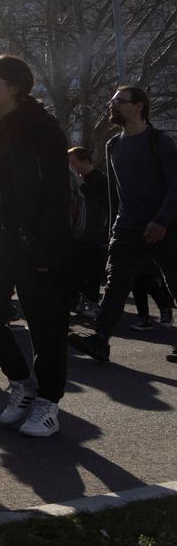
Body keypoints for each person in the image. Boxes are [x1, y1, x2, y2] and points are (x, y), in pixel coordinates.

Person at [0, 55, 71, 437]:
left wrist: (48, 246)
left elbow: (59, 194)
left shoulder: (43, 130)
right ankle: (22, 383)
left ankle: (49, 402)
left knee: (45, 327)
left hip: (33, 240)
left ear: (15, 86)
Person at [70, 86, 177, 363]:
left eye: (119, 102)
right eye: (112, 101)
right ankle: (100, 341)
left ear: (139, 106)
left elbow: (175, 186)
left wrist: (161, 220)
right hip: (126, 229)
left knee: (175, 282)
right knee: (115, 285)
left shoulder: (159, 141)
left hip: (164, 227)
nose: (112, 105)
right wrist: (112, 233)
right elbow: (114, 194)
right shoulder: (113, 145)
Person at [68, 146, 109, 321]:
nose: (71, 167)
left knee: (91, 272)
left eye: (74, 163)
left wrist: (78, 182)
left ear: (85, 161)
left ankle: (93, 304)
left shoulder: (100, 179)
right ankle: (79, 301)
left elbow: (91, 195)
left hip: (94, 234)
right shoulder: (79, 179)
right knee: (76, 270)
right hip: (78, 232)